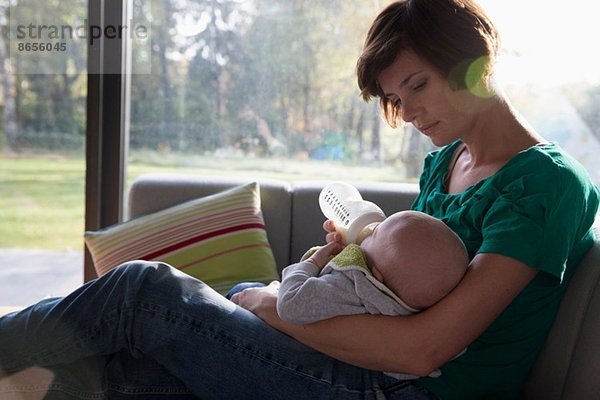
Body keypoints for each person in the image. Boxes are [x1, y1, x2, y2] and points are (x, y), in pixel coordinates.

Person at [1, 0, 599, 399]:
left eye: (417, 85)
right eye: (396, 96)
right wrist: (347, 255)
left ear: (477, 63)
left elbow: (425, 349)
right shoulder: (446, 162)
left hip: (406, 389)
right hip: (370, 365)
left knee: (144, 292)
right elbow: (403, 294)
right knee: (130, 371)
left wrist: (271, 309)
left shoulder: (546, 185)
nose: (409, 112)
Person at [277, 210, 469, 380]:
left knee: (246, 292)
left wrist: (312, 262)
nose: (369, 231)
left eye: (375, 233)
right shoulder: (416, 307)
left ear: (376, 276)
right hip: (391, 375)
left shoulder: (351, 284)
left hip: (347, 372)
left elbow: (289, 303)